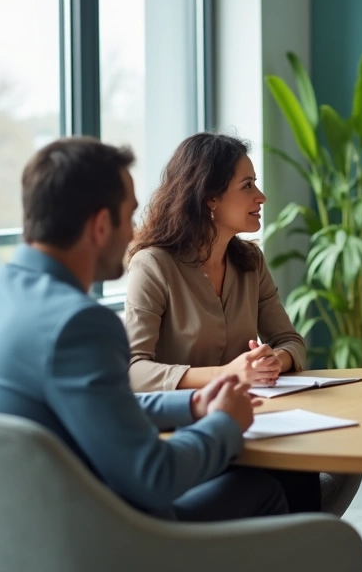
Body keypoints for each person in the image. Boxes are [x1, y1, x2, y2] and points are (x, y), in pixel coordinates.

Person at [0, 137, 288, 522]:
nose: (134, 233)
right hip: (90, 546)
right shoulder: (79, 323)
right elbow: (155, 477)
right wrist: (224, 423)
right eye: (130, 216)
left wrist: (192, 404)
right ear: (102, 225)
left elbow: (107, 404)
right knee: (267, 491)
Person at [123, 131, 319, 512]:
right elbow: (133, 371)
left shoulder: (250, 261)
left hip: (252, 421)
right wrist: (226, 375)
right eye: (248, 185)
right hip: (185, 434)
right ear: (209, 197)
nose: (260, 197)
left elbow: (291, 341)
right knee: (286, 477)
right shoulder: (153, 265)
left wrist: (271, 362)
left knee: (302, 462)